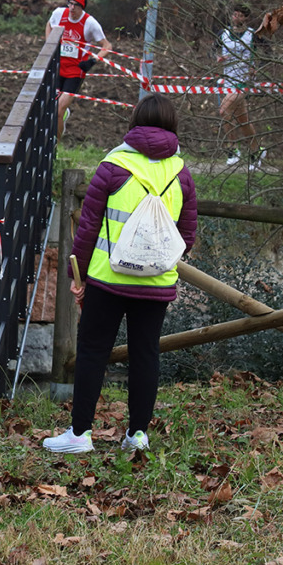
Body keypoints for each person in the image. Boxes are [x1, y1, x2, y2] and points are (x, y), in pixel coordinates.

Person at [45, 93, 197, 454]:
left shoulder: (112, 167)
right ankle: (138, 435)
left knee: (93, 352)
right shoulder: (182, 175)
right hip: (157, 283)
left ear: (134, 123)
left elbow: (87, 230)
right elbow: (186, 237)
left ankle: (80, 434)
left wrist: (75, 275)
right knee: (146, 354)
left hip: (107, 281)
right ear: (172, 126)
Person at [44, 0, 111, 141]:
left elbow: (107, 46)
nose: (72, 8)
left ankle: (55, 146)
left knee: (59, 110)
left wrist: (92, 61)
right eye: (70, 3)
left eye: (76, 5)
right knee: (51, 108)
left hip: (75, 71)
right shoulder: (59, 14)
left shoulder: (90, 23)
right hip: (56, 67)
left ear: (83, 7)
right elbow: (49, 24)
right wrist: (49, 45)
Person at [216, 3, 262, 168]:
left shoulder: (253, 35)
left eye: (241, 15)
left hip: (243, 81)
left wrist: (255, 67)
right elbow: (212, 50)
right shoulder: (223, 33)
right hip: (228, 81)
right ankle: (257, 150)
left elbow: (268, 53)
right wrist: (217, 57)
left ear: (246, 18)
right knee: (243, 121)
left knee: (223, 111)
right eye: (235, 14)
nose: (237, 18)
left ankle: (233, 149)